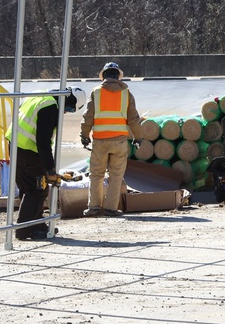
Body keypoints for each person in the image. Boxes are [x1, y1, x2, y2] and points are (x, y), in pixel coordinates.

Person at [9, 87, 85, 240]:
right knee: (38, 190)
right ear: (68, 100)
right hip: (29, 150)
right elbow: (42, 141)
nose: (66, 112)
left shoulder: (38, 96)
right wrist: (50, 169)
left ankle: (36, 224)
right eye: (69, 108)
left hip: (15, 145)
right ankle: (23, 230)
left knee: (27, 188)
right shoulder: (50, 107)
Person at [80, 62, 145, 217]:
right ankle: (111, 208)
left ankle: (94, 207)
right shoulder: (126, 93)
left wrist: (84, 135)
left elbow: (88, 116)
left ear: (104, 76)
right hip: (120, 141)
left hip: (100, 141)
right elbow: (134, 119)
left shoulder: (96, 92)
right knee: (116, 176)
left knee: (96, 174)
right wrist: (138, 137)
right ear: (117, 76)